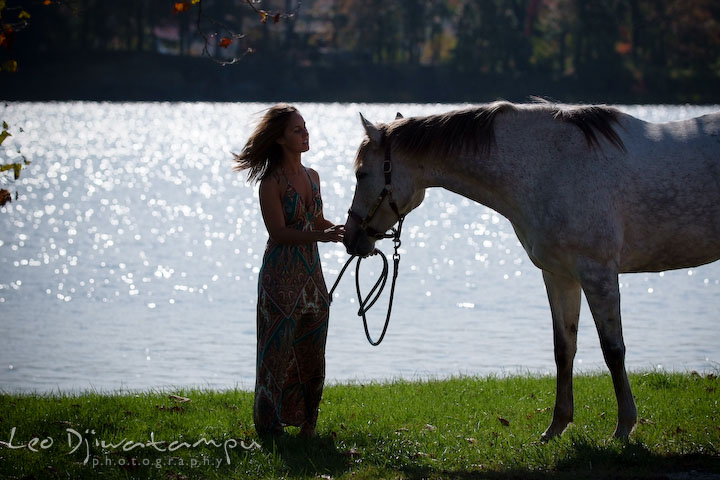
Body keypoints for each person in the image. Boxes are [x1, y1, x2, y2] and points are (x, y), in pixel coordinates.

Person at [233, 104, 344, 437]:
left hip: (313, 277)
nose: (305, 133)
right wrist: (319, 235)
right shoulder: (271, 182)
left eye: (305, 127)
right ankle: (270, 427)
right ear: (280, 139)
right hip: (280, 279)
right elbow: (279, 233)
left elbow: (317, 221)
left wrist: (341, 232)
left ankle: (309, 423)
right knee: (276, 355)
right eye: (297, 130)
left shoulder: (313, 176)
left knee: (313, 353)